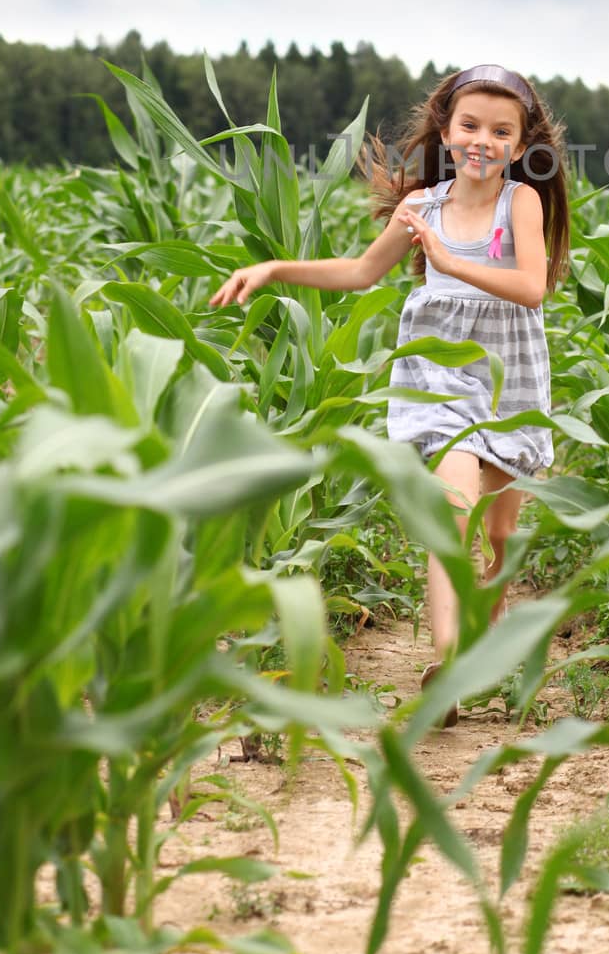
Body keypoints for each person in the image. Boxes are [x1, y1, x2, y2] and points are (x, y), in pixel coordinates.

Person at [210, 63, 571, 726]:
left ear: (519, 147)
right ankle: (447, 662)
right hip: (440, 378)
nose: (482, 141)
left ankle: (483, 646)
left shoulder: (519, 202)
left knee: (499, 539)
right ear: (447, 128)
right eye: (469, 125)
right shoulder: (419, 207)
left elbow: (530, 289)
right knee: (449, 512)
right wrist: (272, 268)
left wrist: (449, 259)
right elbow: (359, 272)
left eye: (500, 131)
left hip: (510, 380)